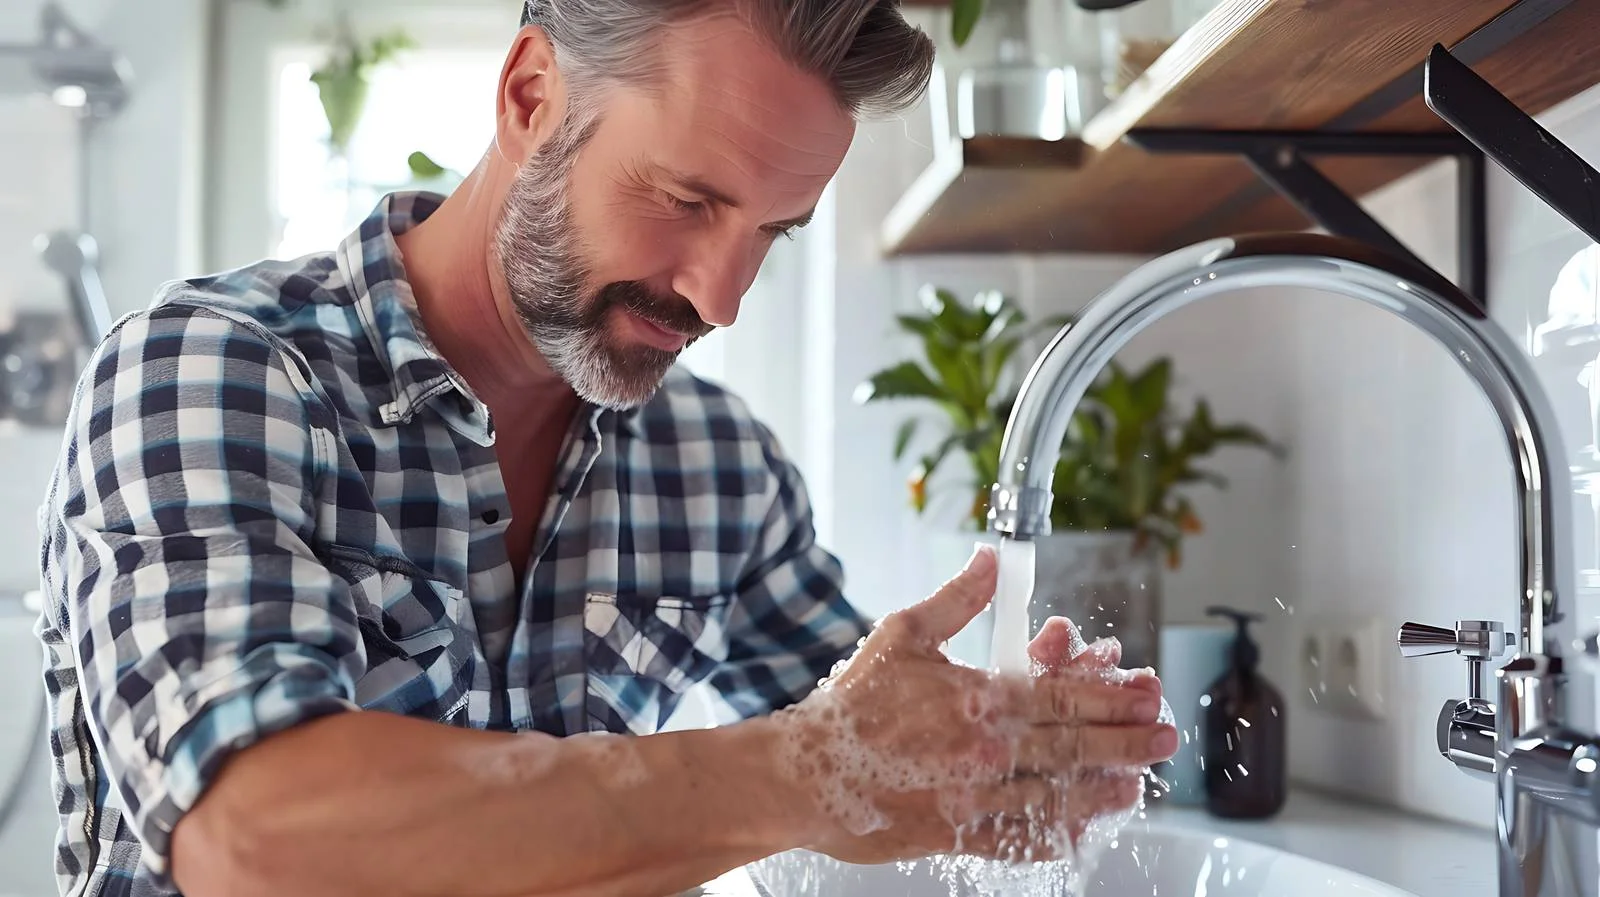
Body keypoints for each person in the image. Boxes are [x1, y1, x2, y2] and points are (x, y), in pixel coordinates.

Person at [35, 2, 1178, 895]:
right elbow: (258, 845)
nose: (721, 300)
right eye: (686, 200)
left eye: (769, 234)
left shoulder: (722, 472)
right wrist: (807, 768)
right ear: (532, 96)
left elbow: (873, 744)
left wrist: (1008, 747)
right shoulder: (215, 375)